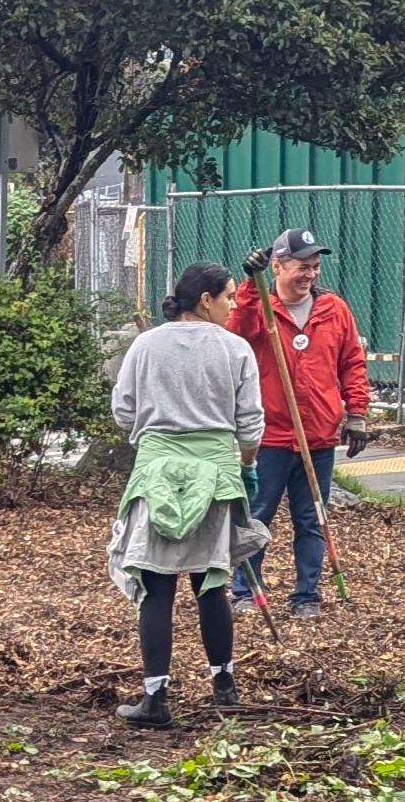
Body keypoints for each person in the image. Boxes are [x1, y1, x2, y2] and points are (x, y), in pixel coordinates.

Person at [108, 262, 269, 726]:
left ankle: (155, 699)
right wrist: (245, 465)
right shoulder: (235, 349)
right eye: (230, 297)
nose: (234, 305)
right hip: (217, 473)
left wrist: (159, 430)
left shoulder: (145, 345)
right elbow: (251, 424)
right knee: (212, 583)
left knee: (155, 587)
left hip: (155, 470)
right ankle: (225, 688)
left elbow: (123, 412)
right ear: (206, 300)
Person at [229, 228, 369, 619]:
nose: (310, 274)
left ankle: (307, 595)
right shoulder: (259, 309)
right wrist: (249, 285)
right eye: (301, 267)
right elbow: (235, 334)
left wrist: (355, 413)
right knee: (258, 515)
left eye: (315, 266)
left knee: (312, 519)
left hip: (318, 435)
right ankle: (245, 590)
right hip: (270, 436)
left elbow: (352, 363)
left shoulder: (334, 309)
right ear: (276, 266)